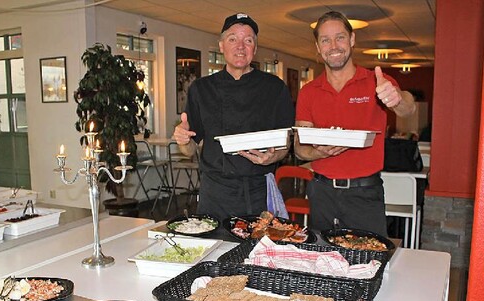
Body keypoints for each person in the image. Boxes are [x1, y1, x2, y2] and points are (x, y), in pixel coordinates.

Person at [294, 11, 416, 236]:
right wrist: (319, 152)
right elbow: (300, 149)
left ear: (351, 40)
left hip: (365, 194)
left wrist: (397, 99)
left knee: (369, 262)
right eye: (325, 40)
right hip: (322, 193)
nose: (334, 46)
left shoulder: (376, 82)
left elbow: (408, 108)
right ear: (318, 47)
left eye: (340, 37)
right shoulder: (308, 92)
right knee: (321, 264)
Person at [173, 13, 295, 222]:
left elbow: (286, 142)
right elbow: (190, 149)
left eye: (248, 40)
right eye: (232, 39)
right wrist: (182, 139)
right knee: (212, 251)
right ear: (221, 45)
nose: (240, 46)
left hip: (258, 191)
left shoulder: (275, 88)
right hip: (215, 193)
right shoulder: (201, 89)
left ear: (255, 49)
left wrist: (273, 157)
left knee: (258, 252)